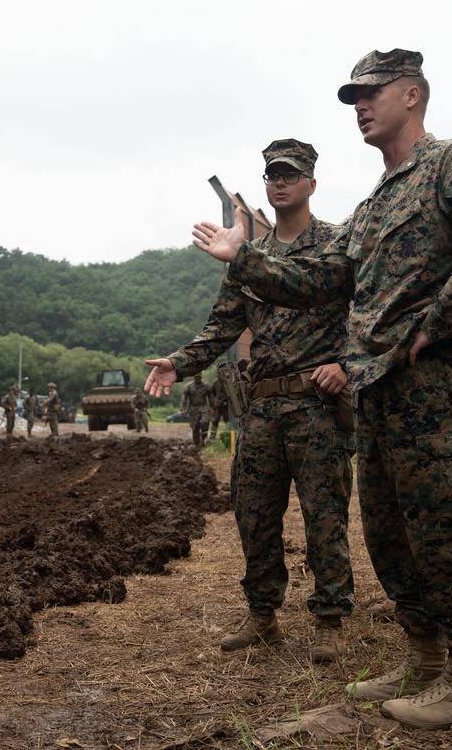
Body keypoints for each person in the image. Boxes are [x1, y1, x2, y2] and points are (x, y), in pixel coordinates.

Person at [190, 50, 452, 729]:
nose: (360, 105)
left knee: (440, 528)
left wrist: (438, 322)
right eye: (353, 97)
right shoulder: (375, 203)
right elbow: (320, 275)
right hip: (376, 389)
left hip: (431, 385)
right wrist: (246, 257)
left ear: (412, 94)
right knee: (388, 530)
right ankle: (425, 660)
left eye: (372, 93)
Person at [146, 139, 355, 663]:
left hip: (316, 408)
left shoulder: (338, 243)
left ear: (311, 182)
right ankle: (263, 616)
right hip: (261, 409)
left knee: (323, 516)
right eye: (271, 175)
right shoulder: (247, 258)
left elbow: (368, 315)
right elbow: (223, 325)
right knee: (254, 515)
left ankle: (330, 619)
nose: (279, 182)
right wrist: (180, 362)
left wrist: (349, 365)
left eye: (290, 173)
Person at [178, 373, 211, 446]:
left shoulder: (206, 386)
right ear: (194, 377)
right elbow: (184, 398)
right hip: (193, 407)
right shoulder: (189, 386)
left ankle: (203, 438)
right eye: (196, 377)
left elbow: (210, 398)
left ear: (201, 377)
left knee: (205, 422)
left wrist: (212, 408)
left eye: (199, 377)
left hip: (204, 407)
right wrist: (182, 408)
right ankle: (197, 443)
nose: (198, 378)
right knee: (195, 426)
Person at [208, 376, 229, 440]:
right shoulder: (215, 382)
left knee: (228, 422)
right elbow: (212, 395)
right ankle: (212, 438)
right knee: (214, 422)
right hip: (217, 406)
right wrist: (212, 406)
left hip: (227, 405)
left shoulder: (228, 381)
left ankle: (229, 437)